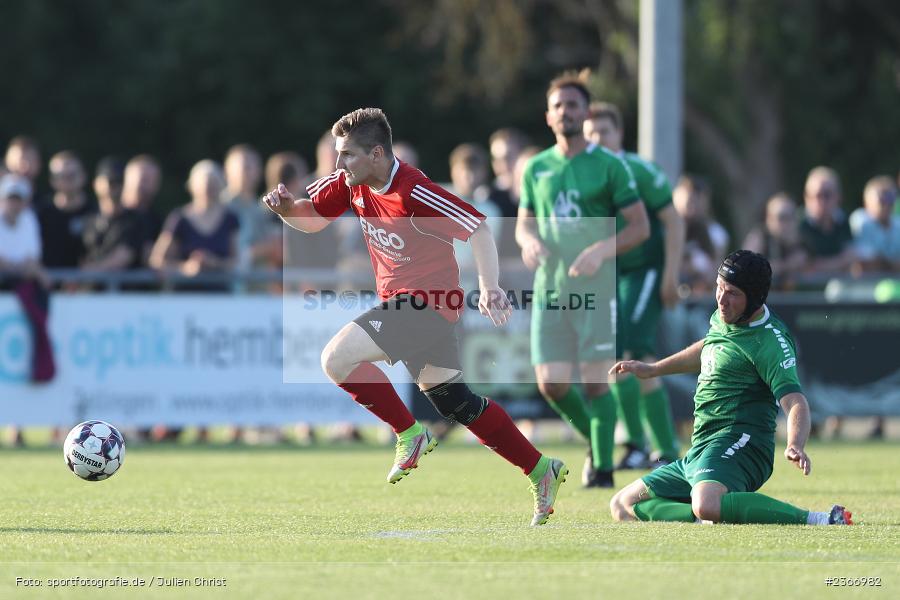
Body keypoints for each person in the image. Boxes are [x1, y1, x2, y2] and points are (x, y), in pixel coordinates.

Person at [263, 107, 568, 526]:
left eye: (347, 154)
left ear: (376, 153)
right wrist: (285, 210)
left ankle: (409, 433)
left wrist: (490, 286)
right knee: (457, 402)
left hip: (427, 303)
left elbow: (477, 228)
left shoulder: (414, 190)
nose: (339, 163)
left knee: (335, 359)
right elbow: (312, 218)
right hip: (410, 304)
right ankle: (540, 469)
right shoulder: (350, 182)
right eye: (338, 154)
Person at [608, 250, 853, 526]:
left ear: (755, 298)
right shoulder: (724, 316)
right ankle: (708, 517)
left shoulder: (769, 341)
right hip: (702, 447)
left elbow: (795, 401)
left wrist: (795, 444)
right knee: (622, 505)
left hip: (743, 442)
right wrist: (654, 369)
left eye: (733, 293)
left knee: (706, 503)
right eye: (719, 288)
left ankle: (820, 519)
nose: (722, 300)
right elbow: (710, 347)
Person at [515, 73, 649, 489]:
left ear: (585, 112)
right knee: (552, 384)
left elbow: (639, 227)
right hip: (551, 289)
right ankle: (598, 441)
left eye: (573, 105)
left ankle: (604, 469)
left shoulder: (608, 165)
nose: (565, 112)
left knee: (595, 382)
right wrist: (528, 243)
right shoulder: (536, 167)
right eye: (558, 106)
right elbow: (524, 224)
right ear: (548, 115)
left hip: (596, 291)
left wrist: (600, 251)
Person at [585, 101, 685, 474]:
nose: (597, 139)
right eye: (590, 133)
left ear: (619, 134)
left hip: (642, 272)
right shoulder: (586, 173)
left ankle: (644, 445)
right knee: (617, 358)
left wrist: (670, 276)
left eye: (604, 132)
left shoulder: (640, 171)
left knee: (631, 352)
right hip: (606, 277)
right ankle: (661, 448)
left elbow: (673, 223)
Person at [150, 160, 239, 291]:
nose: (208, 190)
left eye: (213, 184)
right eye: (205, 185)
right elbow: (157, 260)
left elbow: (237, 262)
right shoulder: (179, 218)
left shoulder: (230, 219)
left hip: (220, 298)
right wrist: (185, 268)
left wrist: (215, 263)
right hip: (184, 296)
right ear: (192, 186)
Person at [81, 157, 145, 273]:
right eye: (109, 181)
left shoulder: (136, 220)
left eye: (119, 181)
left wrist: (91, 271)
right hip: (89, 290)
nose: (114, 186)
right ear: (96, 184)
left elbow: (124, 256)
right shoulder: (88, 218)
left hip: (123, 289)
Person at [35, 151, 96, 273]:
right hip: (48, 285)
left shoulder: (96, 212)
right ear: (52, 180)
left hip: (88, 288)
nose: (67, 180)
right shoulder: (40, 213)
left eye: (72, 175)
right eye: (62, 176)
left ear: (83, 176)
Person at [673, 175, 729, 293]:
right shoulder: (665, 229)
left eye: (697, 201)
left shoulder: (715, 233)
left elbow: (717, 271)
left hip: (700, 298)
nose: (693, 208)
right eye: (689, 202)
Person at [799, 166, 855, 279]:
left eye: (827, 195)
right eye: (817, 195)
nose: (822, 201)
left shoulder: (844, 221)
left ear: (838, 196)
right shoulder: (797, 223)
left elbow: (850, 259)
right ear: (806, 197)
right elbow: (802, 264)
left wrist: (818, 264)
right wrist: (839, 262)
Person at [743, 193, 807, 291]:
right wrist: (787, 265)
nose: (787, 222)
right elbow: (749, 270)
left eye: (791, 216)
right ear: (769, 218)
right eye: (782, 217)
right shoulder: (759, 238)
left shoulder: (802, 239)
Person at [850, 175, 900, 273]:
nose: (887, 204)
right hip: (859, 286)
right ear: (866, 202)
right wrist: (891, 263)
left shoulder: (897, 224)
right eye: (882, 199)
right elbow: (867, 263)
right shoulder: (860, 221)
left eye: (890, 198)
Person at [122, 154, 165, 262]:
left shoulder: (158, 222)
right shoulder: (102, 216)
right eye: (143, 179)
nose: (145, 185)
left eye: (151, 180)